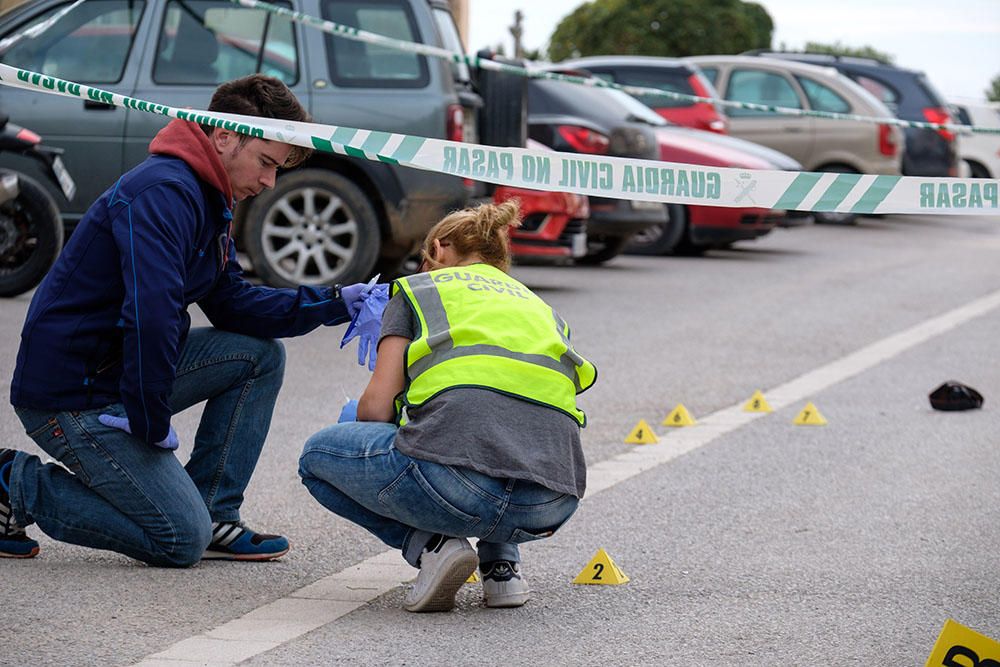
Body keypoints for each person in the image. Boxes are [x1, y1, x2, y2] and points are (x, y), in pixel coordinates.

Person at [0, 74, 378, 566]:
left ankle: (215, 511)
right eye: (266, 163)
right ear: (224, 137)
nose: (270, 182)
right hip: (70, 396)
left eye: (277, 168)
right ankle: (15, 483)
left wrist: (335, 302)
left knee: (258, 355)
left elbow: (232, 304)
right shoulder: (163, 192)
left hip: (113, 375)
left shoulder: (208, 196)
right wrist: (149, 417)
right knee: (178, 540)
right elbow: (150, 316)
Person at [298, 200, 597, 612]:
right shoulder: (541, 309)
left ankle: (432, 547)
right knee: (498, 428)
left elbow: (376, 407)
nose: (424, 268)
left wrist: (368, 417)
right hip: (550, 503)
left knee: (317, 457)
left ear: (439, 250)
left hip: (459, 491)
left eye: (425, 259)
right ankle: (502, 569)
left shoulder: (419, 291)